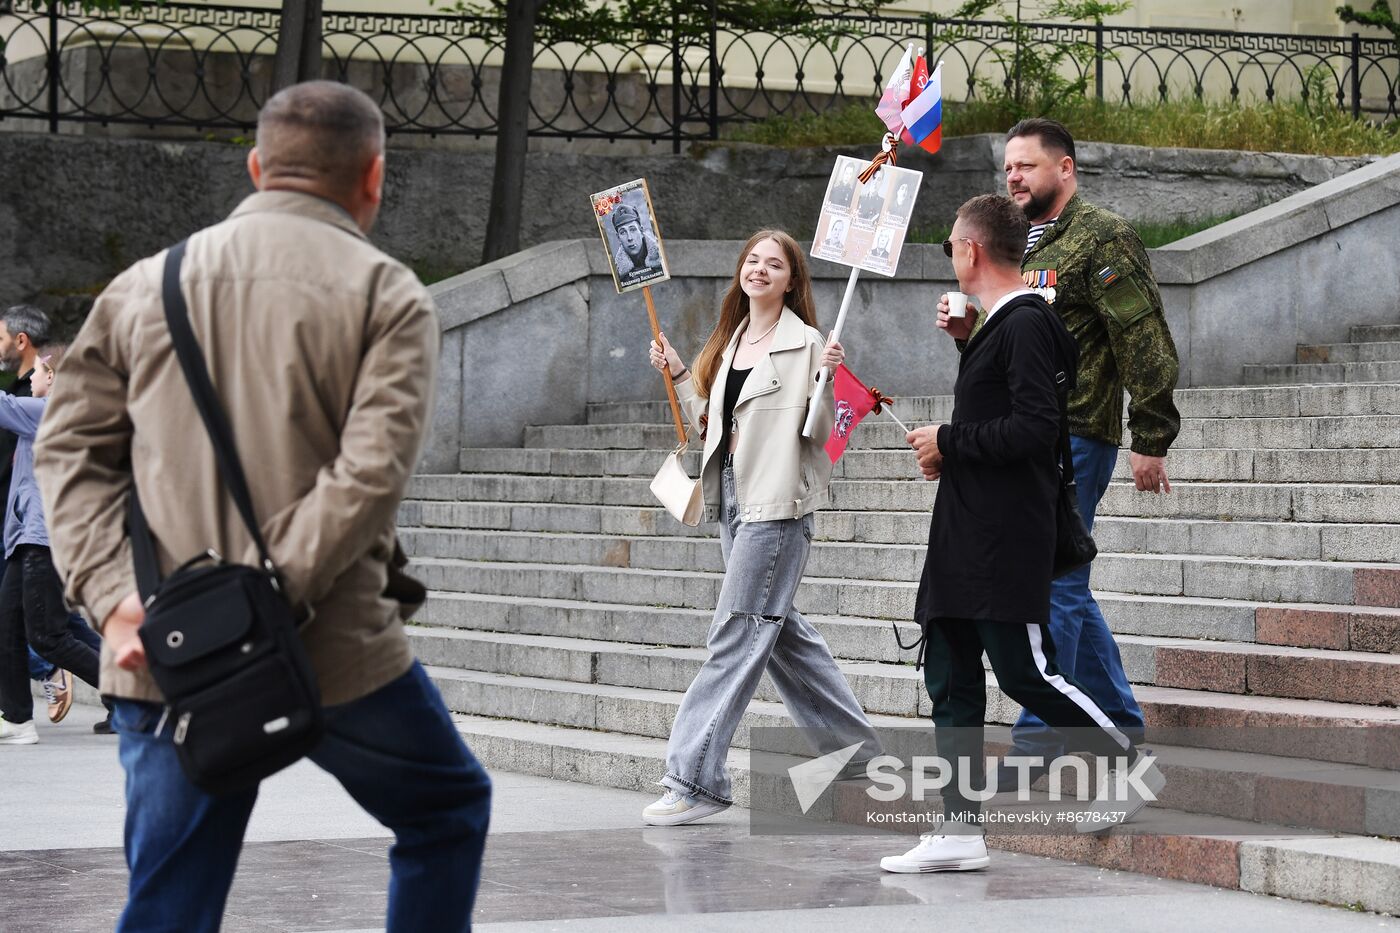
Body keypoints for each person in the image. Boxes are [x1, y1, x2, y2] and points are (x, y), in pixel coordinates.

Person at [34, 81, 491, 932]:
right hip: (333, 643)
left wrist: (108, 597)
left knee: (171, 899)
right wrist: (262, 596)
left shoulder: (146, 286)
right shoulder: (388, 294)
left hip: (162, 644)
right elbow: (369, 475)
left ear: (256, 167)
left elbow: (67, 452)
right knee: (446, 811)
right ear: (374, 178)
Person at [882, 195, 1165, 875]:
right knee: (950, 677)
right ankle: (957, 828)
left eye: (952, 242)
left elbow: (1037, 430)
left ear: (971, 249)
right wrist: (958, 398)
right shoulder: (996, 325)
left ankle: (1129, 764)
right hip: (964, 527)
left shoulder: (1028, 324)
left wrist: (948, 439)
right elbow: (1003, 415)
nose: (949, 253)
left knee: (1024, 670)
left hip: (1005, 535)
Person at [946, 118, 1180, 786]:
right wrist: (970, 334)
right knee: (1065, 580)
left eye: (1027, 166)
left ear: (1066, 168)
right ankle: (1119, 720)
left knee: (1053, 585)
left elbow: (1143, 336)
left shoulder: (1104, 236)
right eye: (1008, 168)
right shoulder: (1028, 240)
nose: (1014, 176)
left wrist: (1151, 435)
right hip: (1028, 444)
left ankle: (1039, 743)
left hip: (1077, 434)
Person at [644, 229, 882, 826]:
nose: (759, 270)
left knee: (736, 633)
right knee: (781, 637)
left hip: (777, 511)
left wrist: (830, 379)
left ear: (791, 280)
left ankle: (694, 778)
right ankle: (860, 757)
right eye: (752, 260)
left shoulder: (809, 346)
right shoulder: (732, 343)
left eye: (773, 264)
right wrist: (677, 374)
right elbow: (711, 427)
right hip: (735, 505)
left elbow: (822, 434)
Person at [0, 347, 105, 745]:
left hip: (44, 539)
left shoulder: (53, 412)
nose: (31, 378)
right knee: (7, 627)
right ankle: (18, 720)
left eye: (39, 371)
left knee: (48, 636)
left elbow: (2, 404)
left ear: (56, 377)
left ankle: (142, 696)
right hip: (28, 537)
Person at [612, 203, 663, 283]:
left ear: (641, 231)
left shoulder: (660, 257)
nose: (629, 238)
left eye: (632, 230)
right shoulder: (618, 273)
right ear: (618, 238)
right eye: (623, 232)